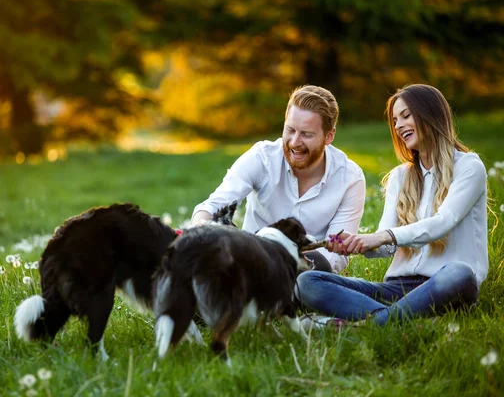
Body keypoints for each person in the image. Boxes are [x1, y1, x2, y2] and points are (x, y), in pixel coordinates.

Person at [296, 84, 488, 327]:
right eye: (395, 120)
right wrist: (357, 243)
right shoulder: (400, 177)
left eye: (406, 116)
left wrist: (383, 236)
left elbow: (443, 222)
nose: (398, 126)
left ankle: (366, 325)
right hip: (396, 289)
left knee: (459, 273)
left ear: (431, 114)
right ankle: (402, 321)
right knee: (308, 282)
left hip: (445, 283)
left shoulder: (469, 167)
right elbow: (385, 247)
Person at [192, 85, 366, 274]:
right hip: (253, 262)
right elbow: (212, 207)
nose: (294, 142)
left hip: (307, 269)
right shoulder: (262, 158)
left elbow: (336, 254)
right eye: (290, 130)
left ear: (329, 136)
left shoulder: (350, 178)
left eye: (306, 134)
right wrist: (202, 227)